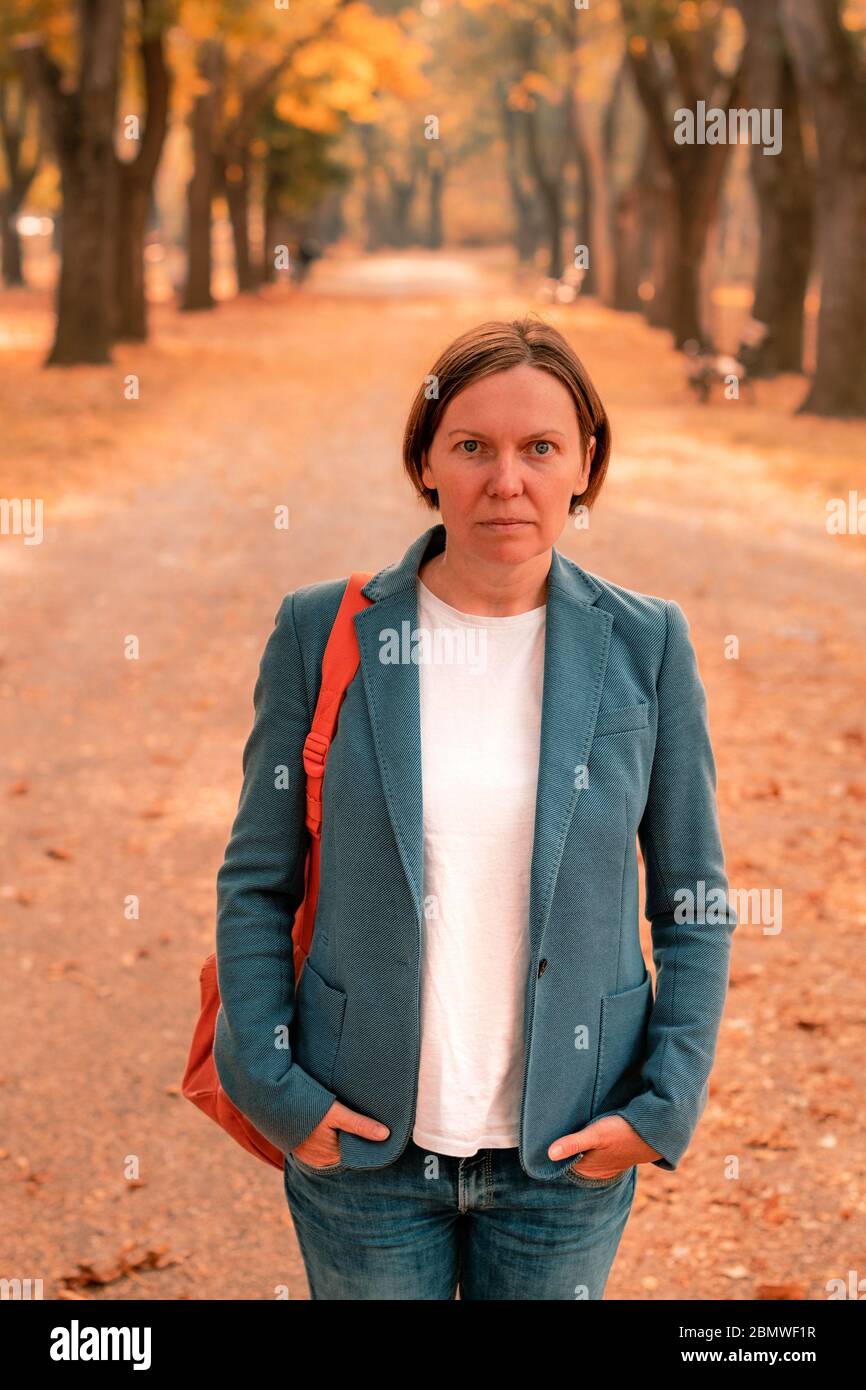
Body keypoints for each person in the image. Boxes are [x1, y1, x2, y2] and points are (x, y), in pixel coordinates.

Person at [213, 315, 737, 1300]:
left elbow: (693, 901)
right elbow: (254, 884)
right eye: (471, 447)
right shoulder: (321, 630)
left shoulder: (645, 645)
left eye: (540, 447)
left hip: (567, 1150)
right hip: (362, 1143)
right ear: (425, 462)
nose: (507, 480)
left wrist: (661, 1106)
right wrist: (278, 1092)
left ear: (583, 463)